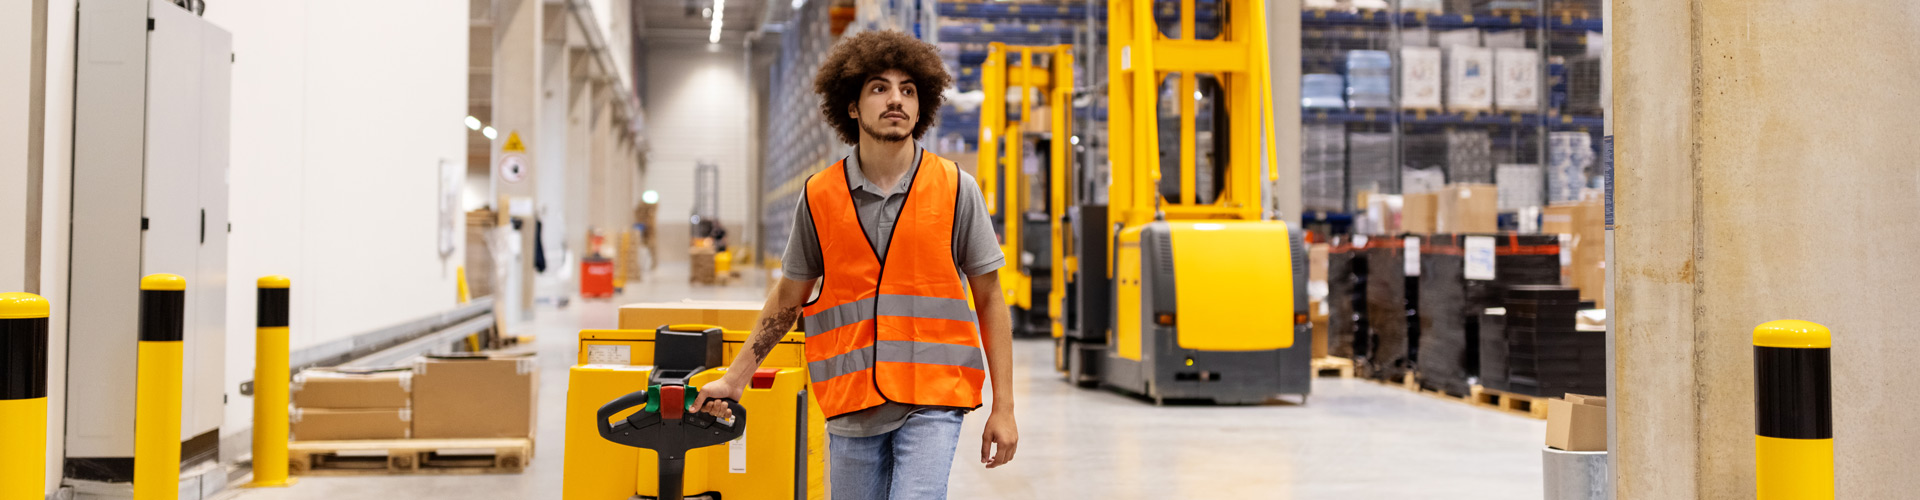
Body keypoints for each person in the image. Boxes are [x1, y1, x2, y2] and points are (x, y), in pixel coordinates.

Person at [692, 30, 1018, 500]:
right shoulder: (820, 195)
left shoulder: (955, 188)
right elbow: (789, 297)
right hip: (851, 404)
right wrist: (736, 377)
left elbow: (989, 297)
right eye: (879, 88)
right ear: (851, 106)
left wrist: (1004, 407)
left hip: (933, 399)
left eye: (908, 90)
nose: (896, 100)